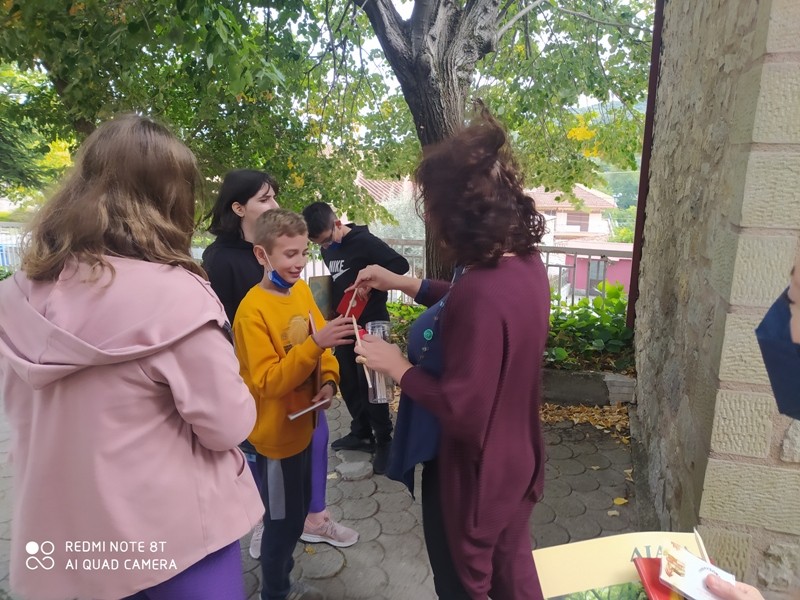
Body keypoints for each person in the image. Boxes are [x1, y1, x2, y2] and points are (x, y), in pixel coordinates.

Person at [0, 114, 264, 600]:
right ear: (171, 199)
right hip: (176, 545)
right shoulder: (178, 297)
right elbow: (228, 426)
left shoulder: (13, 297)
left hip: (66, 545)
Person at [350, 104, 550, 599]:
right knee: (513, 575)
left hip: (475, 472)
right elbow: (468, 306)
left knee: (464, 585)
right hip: (518, 455)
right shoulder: (524, 265)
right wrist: (405, 283)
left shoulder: (482, 291)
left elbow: (464, 409)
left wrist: (398, 368)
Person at [203, 172, 357, 557]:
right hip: (261, 394)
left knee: (311, 452)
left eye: (274, 196)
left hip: (302, 392)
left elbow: (315, 331)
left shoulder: (297, 282)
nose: (273, 203)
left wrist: (328, 380)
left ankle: (312, 519)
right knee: (273, 491)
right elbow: (233, 342)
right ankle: (270, 530)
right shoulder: (224, 264)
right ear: (239, 208)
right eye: (264, 198)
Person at [233, 208, 355, 600]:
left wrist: (330, 381)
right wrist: (315, 345)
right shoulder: (252, 312)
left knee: (297, 513)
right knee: (281, 525)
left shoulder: (300, 291)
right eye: (289, 254)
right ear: (261, 255)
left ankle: (280, 583)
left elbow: (323, 344)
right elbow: (268, 382)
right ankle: (275, 591)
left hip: (305, 428)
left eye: (304, 252)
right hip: (275, 442)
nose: (300, 262)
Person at [302, 202, 409, 474]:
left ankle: (385, 440)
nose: (325, 247)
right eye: (319, 244)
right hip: (345, 321)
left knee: (372, 383)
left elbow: (400, 264)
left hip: (372, 322)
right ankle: (361, 432)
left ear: (337, 224)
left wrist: (371, 285)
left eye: (327, 240)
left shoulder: (365, 242)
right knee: (348, 379)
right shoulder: (328, 249)